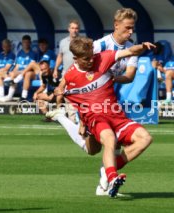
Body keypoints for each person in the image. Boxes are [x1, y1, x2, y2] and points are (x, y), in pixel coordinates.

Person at [47, 8, 140, 196]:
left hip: (110, 97)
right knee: (93, 148)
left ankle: (104, 184)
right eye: (128, 28)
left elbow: (129, 76)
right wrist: (82, 118)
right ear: (116, 25)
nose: (131, 32)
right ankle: (62, 118)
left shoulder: (132, 49)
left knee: (114, 144)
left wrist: (114, 78)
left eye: (133, 28)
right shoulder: (100, 45)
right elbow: (77, 67)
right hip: (89, 99)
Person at [59, 37, 153, 197]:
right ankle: (112, 177)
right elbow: (62, 93)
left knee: (145, 138)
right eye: (86, 58)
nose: (91, 60)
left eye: (91, 56)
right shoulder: (70, 76)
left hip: (116, 116)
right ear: (75, 58)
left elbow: (130, 51)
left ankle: (108, 169)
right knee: (107, 141)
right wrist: (81, 119)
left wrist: (142, 46)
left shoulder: (103, 57)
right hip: (96, 118)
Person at [53, 20, 80, 122]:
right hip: (65, 74)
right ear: (69, 29)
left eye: (76, 28)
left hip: (78, 74)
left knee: (73, 97)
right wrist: (55, 69)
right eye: (72, 28)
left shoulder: (82, 41)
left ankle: (75, 118)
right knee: (60, 94)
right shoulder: (63, 42)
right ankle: (58, 115)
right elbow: (60, 56)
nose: (74, 30)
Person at [0, 35, 37, 102]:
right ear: (22, 43)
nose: (25, 44)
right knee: (12, 74)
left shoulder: (33, 53)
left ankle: (23, 96)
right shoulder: (20, 53)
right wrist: (12, 73)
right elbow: (17, 66)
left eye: (27, 42)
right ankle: (9, 96)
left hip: (29, 72)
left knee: (27, 74)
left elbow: (33, 67)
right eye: (24, 42)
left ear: (30, 43)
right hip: (20, 72)